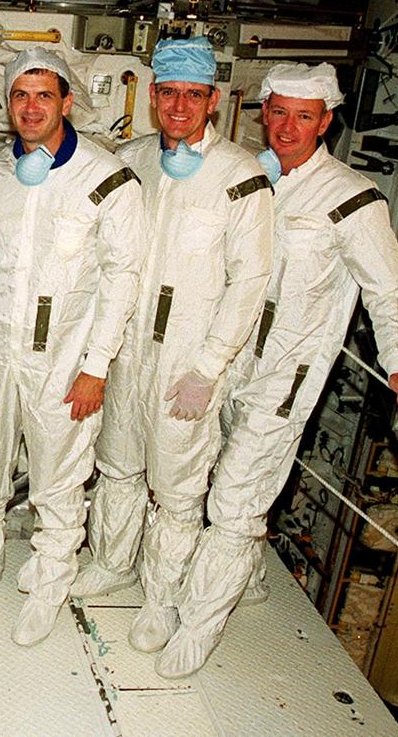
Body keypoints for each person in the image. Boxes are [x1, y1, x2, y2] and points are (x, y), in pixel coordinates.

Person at [155, 63, 398, 678]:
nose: (287, 126)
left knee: (233, 501)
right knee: (196, 475)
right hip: (223, 358)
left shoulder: (352, 199)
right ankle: (241, 580)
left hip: (286, 374)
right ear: (262, 114)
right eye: (277, 112)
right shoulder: (245, 176)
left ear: (325, 121)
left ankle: (197, 628)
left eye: (303, 116)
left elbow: (388, 294)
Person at [0, 49, 145, 645]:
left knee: (58, 479)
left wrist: (96, 368)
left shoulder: (107, 180)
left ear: (67, 102)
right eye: (20, 95)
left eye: (44, 95)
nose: (30, 107)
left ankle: (50, 582)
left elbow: (122, 280)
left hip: (64, 360)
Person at [73, 37, 274, 657]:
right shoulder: (131, 160)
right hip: (129, 346)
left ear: (213, 101)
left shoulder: (240, 177)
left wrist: (209, 368)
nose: (179, 105)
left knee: (179, 487)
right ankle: (111, 561)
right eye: (168, 93)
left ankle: (160, 598)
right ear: (153, 97)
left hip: (187, 354)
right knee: (119, 462)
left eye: (193, 94)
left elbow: (252, 282)